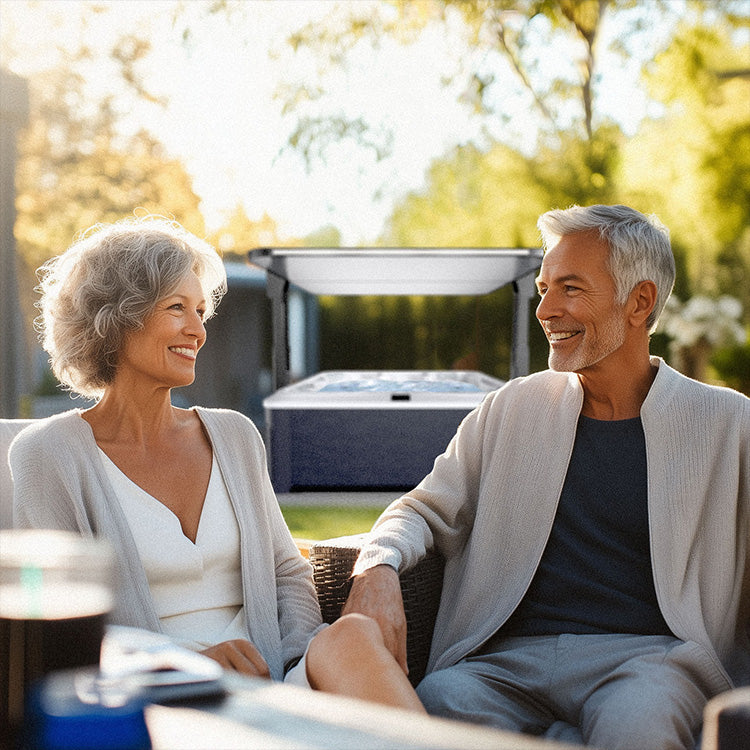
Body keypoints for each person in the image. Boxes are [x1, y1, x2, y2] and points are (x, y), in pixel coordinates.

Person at [342, 204, 750, 748]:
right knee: (441, 705)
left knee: (639, 729)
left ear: (640, 301)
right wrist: (377, 567)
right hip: (505, 666)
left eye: (571, 288)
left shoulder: (728, 424)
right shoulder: (510, 408)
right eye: (543, 288)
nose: (546, 309)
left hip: (652, 661)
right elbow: (419, 509)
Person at [9, 215, 423, 713]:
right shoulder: (47, 454)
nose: (198, 331)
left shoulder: (234, 435)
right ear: (117, 317)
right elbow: (61, 622)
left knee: (353, 634)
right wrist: (189, 663)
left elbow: (287, 572)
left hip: (271, 679)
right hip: (157, 695)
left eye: (201, 311)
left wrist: (290, 663)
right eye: (177, 308)